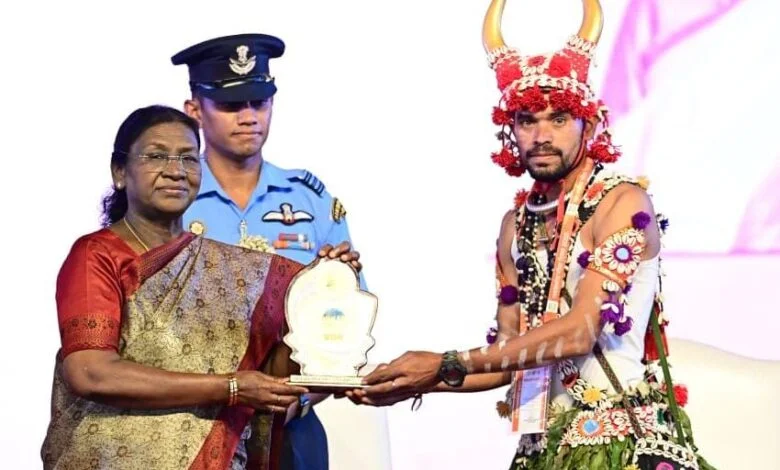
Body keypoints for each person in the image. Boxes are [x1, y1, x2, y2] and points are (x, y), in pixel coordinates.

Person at [347, 1, 715, 469]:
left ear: (589, 124)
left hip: (619, 443)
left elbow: (580, 332)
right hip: (541, 447)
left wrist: (444, 363)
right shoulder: (515, 224)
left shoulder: (622, 203)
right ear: (511, 131)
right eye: (527, 120)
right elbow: (508, 357)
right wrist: (414, 381)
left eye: (558, 119)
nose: (542, 135)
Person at [40, 105, 361, 470]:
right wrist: (232, 387)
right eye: (156, 156)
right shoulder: (97, 256)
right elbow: (90, 372)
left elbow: (276, 369)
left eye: (189, 158)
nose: (175, 170)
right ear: (120, 172)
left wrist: (327, 289)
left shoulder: (237, 269)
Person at [170, 34, 363, 470]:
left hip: (290, 426)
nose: (249, 117)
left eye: (259, 102)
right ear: (195, 110)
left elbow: (345, 328)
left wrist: (304, 396)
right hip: (190, 427)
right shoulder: (170, 199)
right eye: (230, 105)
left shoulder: (311, 200)